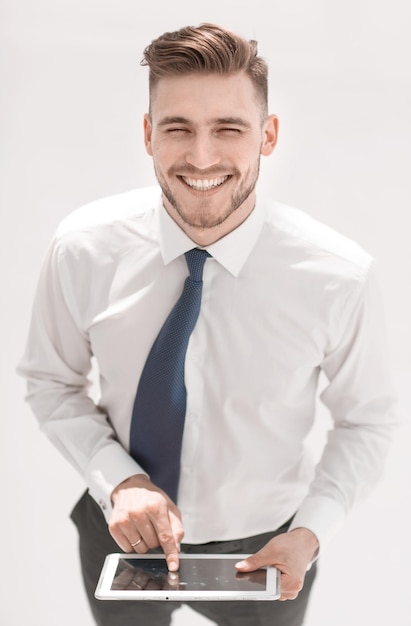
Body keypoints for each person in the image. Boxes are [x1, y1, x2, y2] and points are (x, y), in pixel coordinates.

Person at [18, 22, 397, 626]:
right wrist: (122, 482)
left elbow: (367, 421)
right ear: (148, 134)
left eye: (229, 128)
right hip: (120, 531)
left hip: (271, 546)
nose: (201, 156)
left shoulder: (338, 276)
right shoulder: (83, 250)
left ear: (268, 135)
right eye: (177, 128)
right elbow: (50, 381)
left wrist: (312, 532)